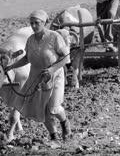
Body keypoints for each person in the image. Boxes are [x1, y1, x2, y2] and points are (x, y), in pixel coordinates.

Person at [5, 9, 72, 141]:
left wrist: (52, 69)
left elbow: (66, 58)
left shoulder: (54, 37)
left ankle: (65, 123)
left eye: (37, 23)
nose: (34, 26)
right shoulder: (30, 40)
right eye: (32, 23)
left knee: (53, 108)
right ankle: (53, 136)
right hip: (36, 78)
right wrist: (11, 66)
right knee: (42, 110)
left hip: (54, 76)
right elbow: (27, 59)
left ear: (44, 22)